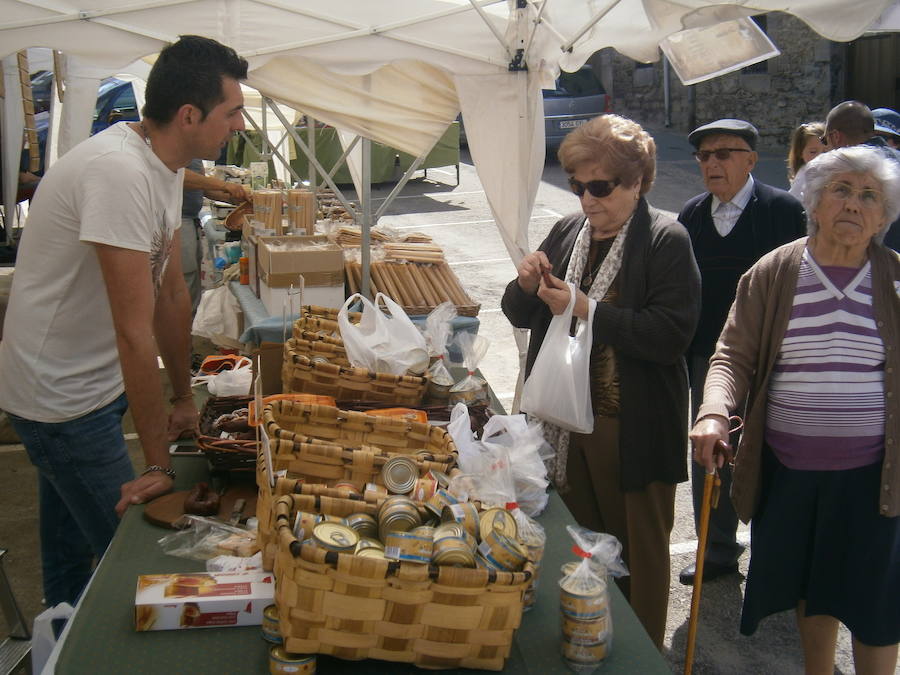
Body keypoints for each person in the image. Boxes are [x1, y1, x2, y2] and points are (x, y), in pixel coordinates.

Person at [0, 35, 247, 607]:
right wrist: (158, 460)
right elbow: (133, 330)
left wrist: (183, 397)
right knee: (133, 557)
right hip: (61, 399)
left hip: (89, 386)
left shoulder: (162, 165)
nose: (237, 125)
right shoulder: (117, 172)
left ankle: (58, 640)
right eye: (231, 112)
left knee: (68, 553)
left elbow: (171, 292)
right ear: (189, 115)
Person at [690, 145, 899, 675]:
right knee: (813, 589)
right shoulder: (775, 272)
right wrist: (714, 411)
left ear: (884, 214)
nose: (854, 205)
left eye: (869, 195)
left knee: (878, 604)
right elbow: (732, 354)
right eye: (841, 190)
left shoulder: (895, 278)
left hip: (875, 477)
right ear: (814, 199)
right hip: (791, 471)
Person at [502, 114, 700, 648]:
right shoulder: (571, 231)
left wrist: (586, 308)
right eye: (578, 185)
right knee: (580, 545)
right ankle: (588, 641)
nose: (586, 199)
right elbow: (519, 314)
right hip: (567, 426)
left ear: (637, 182)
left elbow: (670, 335)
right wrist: (523, 285)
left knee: (638, 555)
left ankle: (638, 651)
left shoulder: (665, 239)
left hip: (628, 428)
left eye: (600, 187)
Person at [677, 119, 806, 586]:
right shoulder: (691, 214)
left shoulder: (783, 210)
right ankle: (716, 549)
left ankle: (778, 554)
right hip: (707, 361)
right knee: (711, 450)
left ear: (751, 159)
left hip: (773, 358)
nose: (712, 163)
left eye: (723, 154)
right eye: (704, 156)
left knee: (777, 450)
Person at [801, 101, 900, 252]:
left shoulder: (832, 170)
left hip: (864, 263)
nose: (825, 148)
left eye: (824, 141)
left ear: (835, 137)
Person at [180, 161, 249, 315]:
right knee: (183, 281)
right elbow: (177, 173)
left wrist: (231, 199)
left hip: (190, 219)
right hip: (178, 220)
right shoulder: (174, 144)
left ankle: (188, 326)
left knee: (190, 279)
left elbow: (201, 187)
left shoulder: (194, 153)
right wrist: (223, 185)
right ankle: (180, 330)